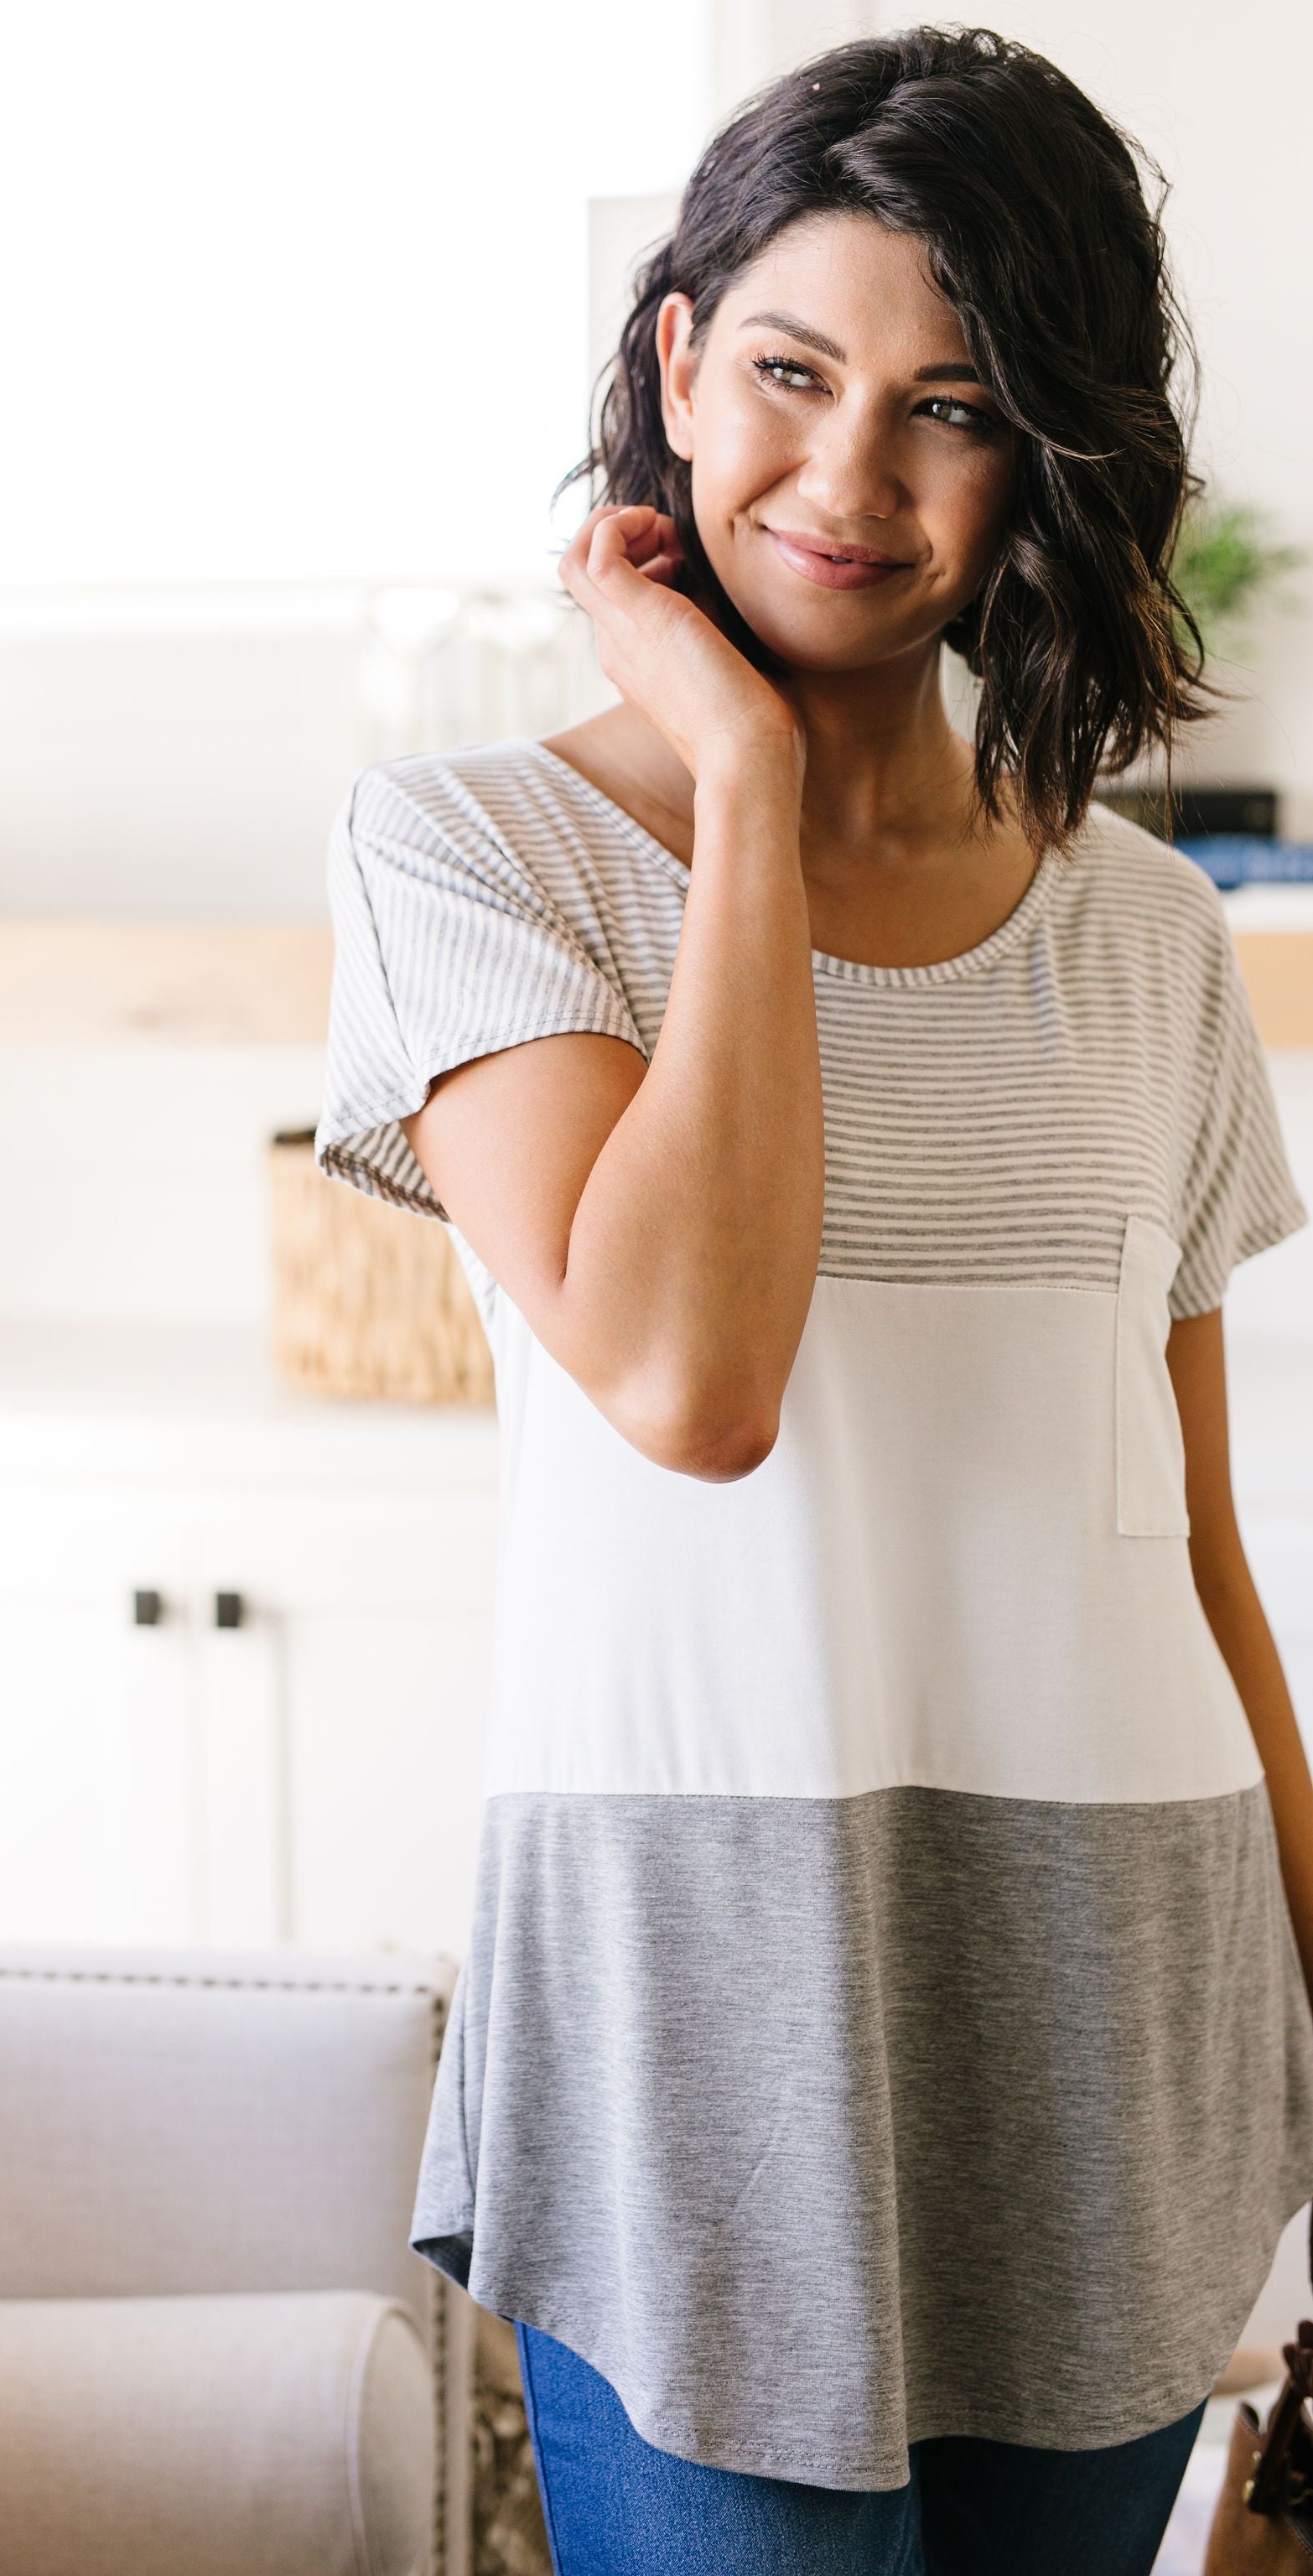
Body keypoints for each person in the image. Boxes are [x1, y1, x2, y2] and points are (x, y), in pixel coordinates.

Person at [313, 25, 1313, 2573]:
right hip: (700, 2009)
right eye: (788, 373)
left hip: (1126, 1991)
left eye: (953, 407)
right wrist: (745, 789)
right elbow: (686, 1371)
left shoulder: (1147, 934)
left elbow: (1194, 1545)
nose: (852, 478)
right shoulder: (477, 852)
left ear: (1045, 459)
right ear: (677, 366)